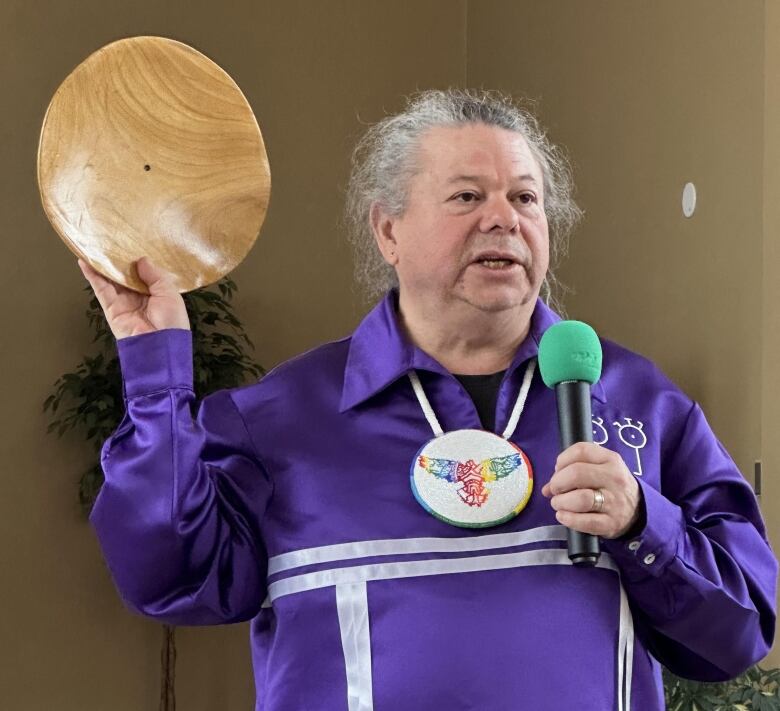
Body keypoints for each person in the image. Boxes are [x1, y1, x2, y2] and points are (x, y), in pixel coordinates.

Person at [79, 89, 777, 711]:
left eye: (525, 197)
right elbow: (165, 573)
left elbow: (742, 630)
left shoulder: (642, 407)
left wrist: (640, 524)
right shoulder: (280, 421)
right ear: (389, 231)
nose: (503, 219)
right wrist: (154, 366)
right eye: (468, 196)